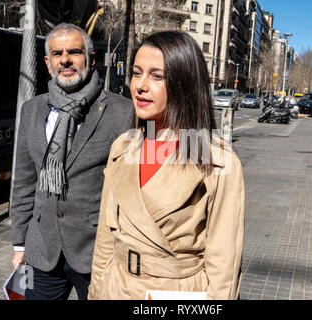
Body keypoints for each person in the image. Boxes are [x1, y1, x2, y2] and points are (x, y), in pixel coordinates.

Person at [88, 30, 245, 300]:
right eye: (137, 73)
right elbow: (105, 238)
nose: (140, 85)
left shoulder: (217, 161)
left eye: (156, 76)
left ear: (184, 83)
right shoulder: (123, 147)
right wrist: (97, 290)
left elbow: (224, 264)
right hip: (116, 287)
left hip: (174, 293)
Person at [10, 23, 133, 300]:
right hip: (42, 249)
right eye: (57, 53)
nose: (65, 59)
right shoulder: (31, 110)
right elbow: (24, 182)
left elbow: (132, 190)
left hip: (97, 251)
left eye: (73, 52)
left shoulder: (122, 112)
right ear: (47, 61)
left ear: (90, 58)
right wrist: (19, 244)